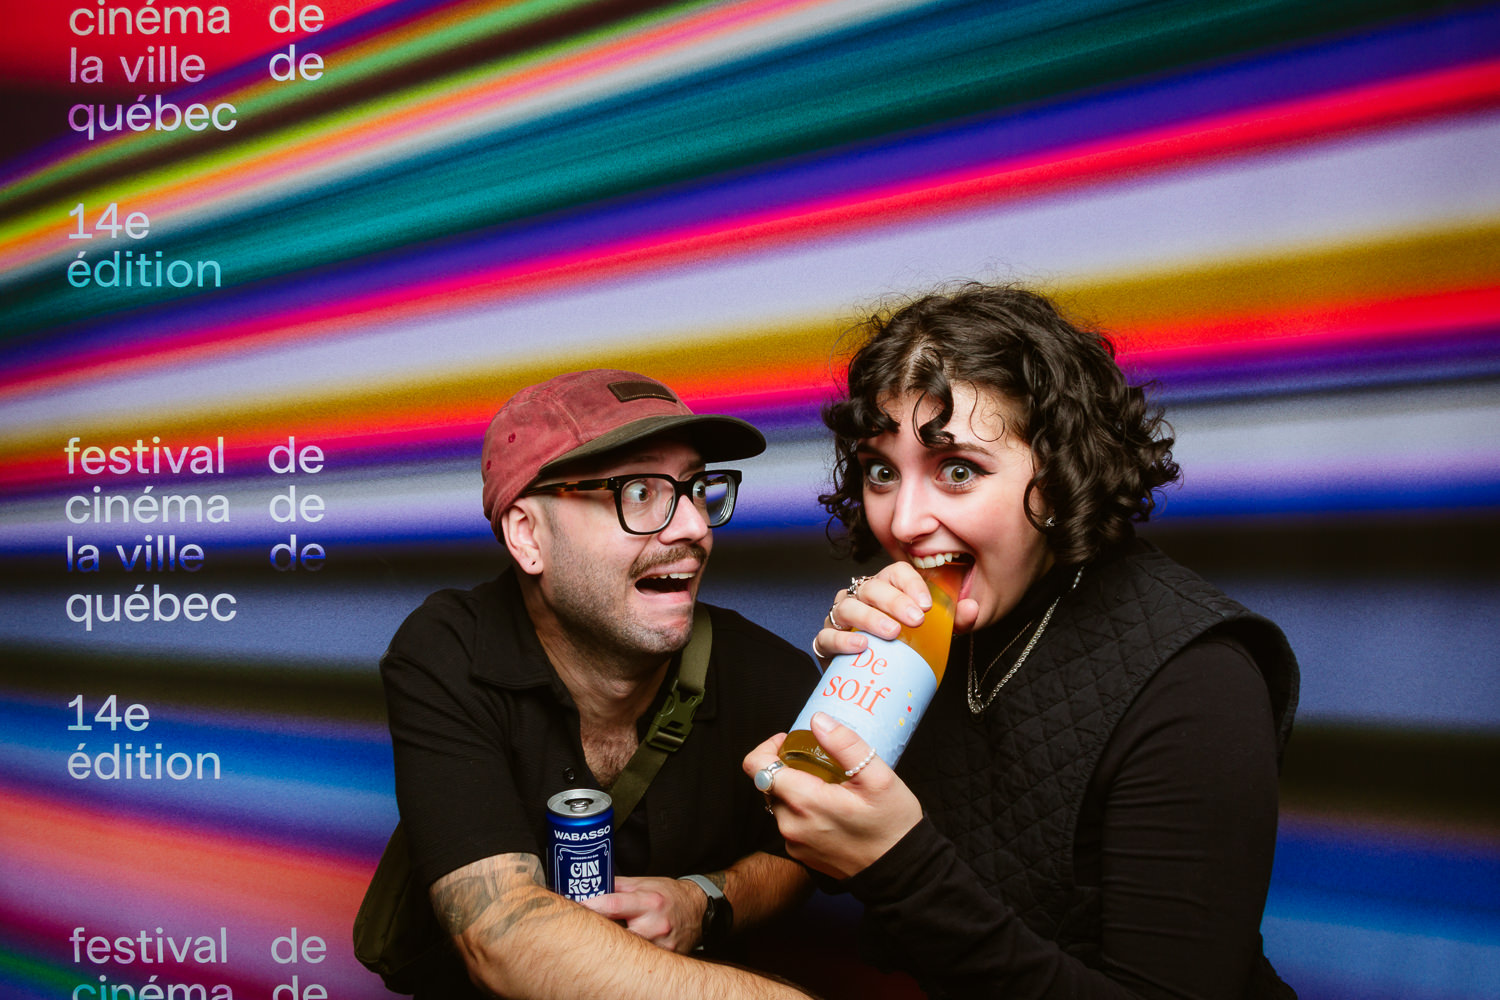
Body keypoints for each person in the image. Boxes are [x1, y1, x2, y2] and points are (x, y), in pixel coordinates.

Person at [744, 284, 1300, 999]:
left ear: (1064, 474)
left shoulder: (1201, 684)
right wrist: (847, 711)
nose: (904, 522)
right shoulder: (938, 628)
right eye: (881, 471)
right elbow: (832, 850)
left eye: (958, 470)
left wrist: (900, 867)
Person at [381, 369, 818, 999]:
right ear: (528, 536)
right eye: (638, 491)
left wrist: (706, 900)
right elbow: (501, 937)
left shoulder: (771, 676)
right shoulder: (449, 653)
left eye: (696, 489)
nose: (694, 527)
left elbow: (800, 854)